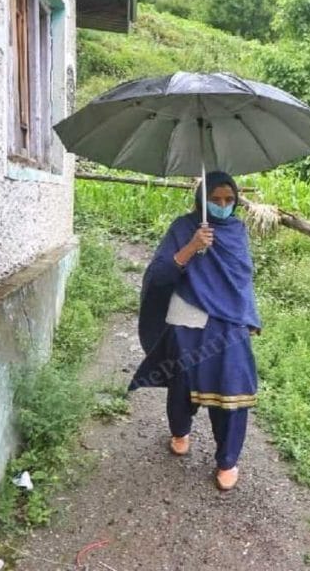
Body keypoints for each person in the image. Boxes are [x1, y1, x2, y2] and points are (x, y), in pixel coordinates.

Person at [129, 171, 260, 491]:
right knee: (183, 384)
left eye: (229, 200)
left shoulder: (237, 230)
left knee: (233, 388)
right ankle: (180, 431)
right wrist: (190, 247)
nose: (223, 205)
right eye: (215, 200)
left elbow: (242, 279)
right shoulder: (184, 227)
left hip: (229, 322)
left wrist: (249, 316)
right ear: (202, 200)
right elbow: (159, 274)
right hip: (187, 317)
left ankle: (227, 460)